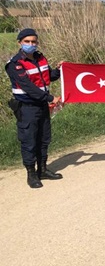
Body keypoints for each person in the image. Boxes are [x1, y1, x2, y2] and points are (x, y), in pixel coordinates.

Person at [5, 28, 62, 189]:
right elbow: (28, 87)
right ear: (20, 43)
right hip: (27, 107)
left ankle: (42, 169)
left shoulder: (40, 57)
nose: (31, 44)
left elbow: (48, 76)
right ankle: (31, 174)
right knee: (29, 141)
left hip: (42, 106)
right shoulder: (15, 64)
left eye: (34, 42)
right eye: (27, 41)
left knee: (44, 138)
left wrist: (58, 70)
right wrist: (51, 98)